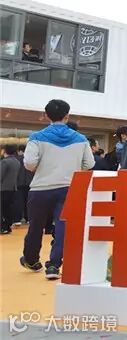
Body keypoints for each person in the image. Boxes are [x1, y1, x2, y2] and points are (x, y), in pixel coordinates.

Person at [21, 99, 94, 279]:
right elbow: (89, 163)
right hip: (69, 188)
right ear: (67, 116)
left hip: (40, 188)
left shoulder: (37, 137)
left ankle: (31, 259)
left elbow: (29, 163)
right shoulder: (81, 139)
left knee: (35, 226)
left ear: (46, 115)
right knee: (63, 227)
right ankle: (53, 266)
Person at [1, 145, 21, 234]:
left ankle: (3, 227)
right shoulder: (17, 162)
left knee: (2, 209)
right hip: (12, 188)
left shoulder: (4, 162)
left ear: (5, 151)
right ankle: (7, 226)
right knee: (8, 208)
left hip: (2, 188)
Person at [14, 144, 32, 224]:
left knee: (18, 202)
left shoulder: (16, 159)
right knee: (28, 201)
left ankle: (17, 219)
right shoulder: (30, 159)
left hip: (18, 183)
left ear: (19, 151)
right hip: (29, 183)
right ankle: (28, 218)